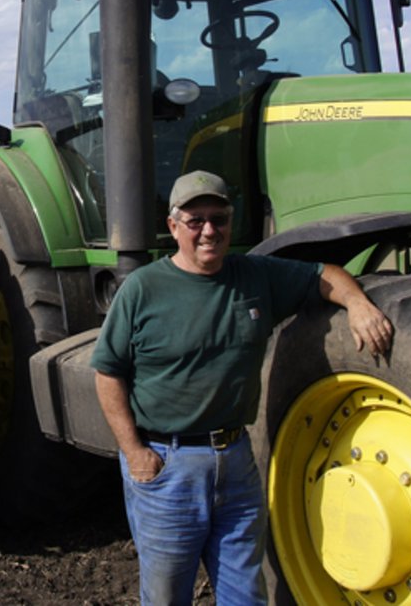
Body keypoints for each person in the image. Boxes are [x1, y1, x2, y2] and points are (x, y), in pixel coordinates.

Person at [91, 170, 393, 605]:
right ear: (173, 226)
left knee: (246, 595)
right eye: (195, 221)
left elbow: (323, 275)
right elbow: (107, 372)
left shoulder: (254, 275)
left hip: (235, 463)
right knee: (165, 597)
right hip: (167, 466)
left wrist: (358, 302)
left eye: (219, 218)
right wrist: (134, 452)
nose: (209, 230)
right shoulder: (143, 289)